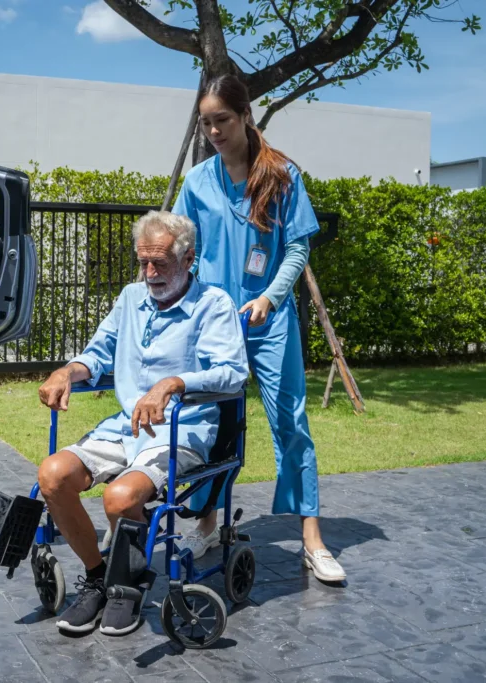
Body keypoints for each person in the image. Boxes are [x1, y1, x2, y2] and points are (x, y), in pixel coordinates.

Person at [37, 210, 249, 635]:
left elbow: (233, 372)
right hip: (126, 425)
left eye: (161, 263)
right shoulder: (130, 298)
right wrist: (68, 370)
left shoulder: (213, 305)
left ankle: (126, 587)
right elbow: (97, 353)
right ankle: (100, 577)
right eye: (143, 262)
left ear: (189, 259)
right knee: (53, 475)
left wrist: (176, 382)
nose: (150, 273)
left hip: (183, 427)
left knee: (119, 499)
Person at [170, 74, 346, 583]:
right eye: (206, 123)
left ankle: (312, 538)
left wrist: (271, 296)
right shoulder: (198, 182)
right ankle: (205, 522)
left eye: (222, 120)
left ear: (245, 116)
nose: (214, 132)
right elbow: (181, 244)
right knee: (215, 423)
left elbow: (297, 249)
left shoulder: (283, 175)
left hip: (270, 322)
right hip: (214, 325)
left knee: (290, 423)